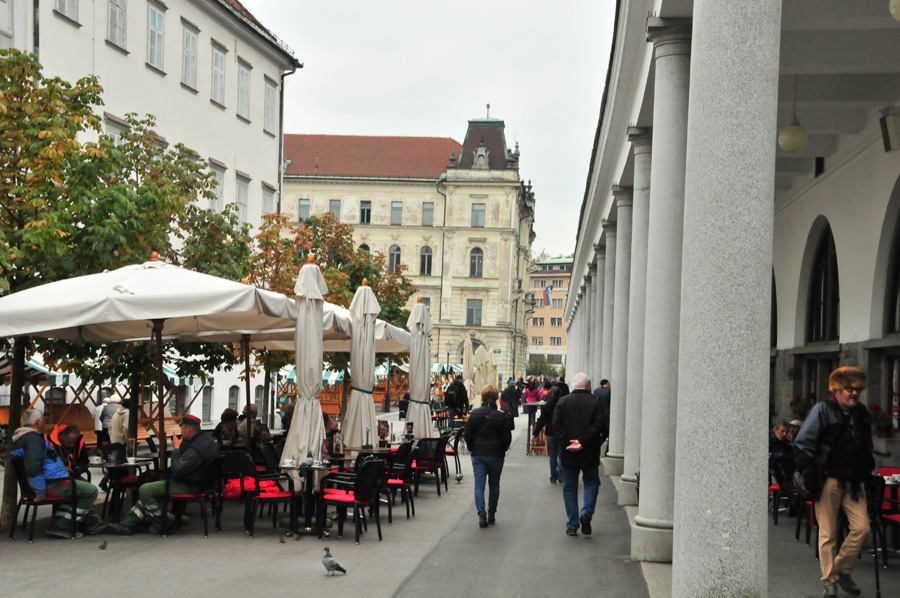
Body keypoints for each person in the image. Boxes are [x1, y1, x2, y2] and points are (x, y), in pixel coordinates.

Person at [794, 367, 874, 598]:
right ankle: (829, 580)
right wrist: (810, 473)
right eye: (849, 388)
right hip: (828, 479)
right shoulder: (822, 410)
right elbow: (803, 444)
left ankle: (841, 569)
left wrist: (867, 470)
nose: (854, 393)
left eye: (858, 389)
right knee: (828, 533)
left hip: (855, 482)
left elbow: (865, 446)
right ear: (837, 389)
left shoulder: (861, 413)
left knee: (862, 528)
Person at [106, 415, 219, 535]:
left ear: (188, 429)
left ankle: (164, 524)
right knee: (149, 491)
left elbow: (177, 469)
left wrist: (176, 448)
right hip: (199, 483)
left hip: (189, 485)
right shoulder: (206, 441)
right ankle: (129, 523)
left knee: (145, 489)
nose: (181, 432)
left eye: (182, 429)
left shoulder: (195, 449)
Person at [10, 409, 103, 538]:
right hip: (51, 485)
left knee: (80, 486)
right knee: (90, 491)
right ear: (38, 422)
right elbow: (33, 467)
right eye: (44, 421)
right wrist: (40, 492)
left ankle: (62, 524)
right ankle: (64, 526)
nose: (44, 424)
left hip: (50, 482)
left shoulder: (22, 439)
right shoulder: (34, 440)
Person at [552, 372, 607, 536]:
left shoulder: (563, 401)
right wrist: (583, 441)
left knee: (569, 488)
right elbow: (600, 425)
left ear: (574, 386)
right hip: (589, 451)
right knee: (591, 483)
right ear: (588, 385)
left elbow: (556, 425)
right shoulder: (596, 401)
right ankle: (586, 513)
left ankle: (572, 524)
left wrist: (568, 442)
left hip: (569, 453)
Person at [463, 385, 512, 528]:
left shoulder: (475, 414)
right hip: (496, 454)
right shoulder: (500, 416)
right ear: (496, 397)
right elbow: (506, 437)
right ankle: (491, 513)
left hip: (478, 454)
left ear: (483, 397)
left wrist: (472, 448)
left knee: (479, 485)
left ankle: (481, 514)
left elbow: (467, 434)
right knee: (494, 484)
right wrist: (503, 449)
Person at [533, 386, 563, 483]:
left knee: (552, 455)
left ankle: (553, 477)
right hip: (561, 433)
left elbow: (541, 421)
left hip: (550, 433)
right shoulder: (563, 405)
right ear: (559, 395)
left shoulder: (547, 406)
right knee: (562, 454)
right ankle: (560, 468)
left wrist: (535, 433)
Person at [592, 379, 611, 455]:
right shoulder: (609, 391)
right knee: (607, 434)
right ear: (607, 383)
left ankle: (596, 447)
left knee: (599, 433)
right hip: (606, 416)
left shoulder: (595, 391)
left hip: (597, 415)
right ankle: (601, 448)